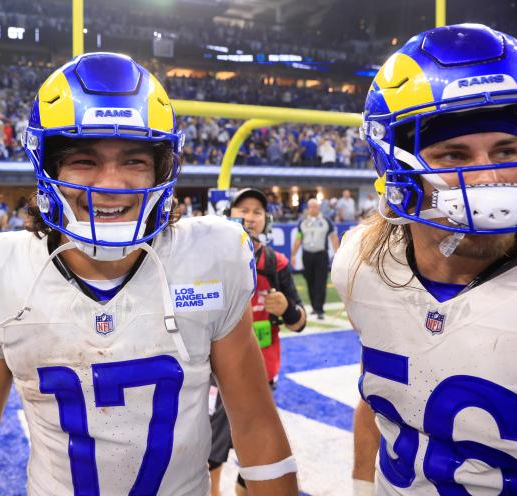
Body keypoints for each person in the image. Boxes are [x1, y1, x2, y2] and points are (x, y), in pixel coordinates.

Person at [0, 52, 298, 496]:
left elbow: (255, 425)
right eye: (84, 160)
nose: (111, 183)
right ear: (48, 169)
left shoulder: (209, 258)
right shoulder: (0, 275)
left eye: (134, 161)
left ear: (162, 167)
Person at [332, 23, 517, 496]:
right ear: (394, 167)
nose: (487, 178)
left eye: (508, 150)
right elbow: (381, 394)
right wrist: (360, 484)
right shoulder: (361, 265)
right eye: (454, 153)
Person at [210, 188, 306, 496]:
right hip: (218, 372)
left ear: (266, 220)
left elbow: (299, 321)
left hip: (264, 370)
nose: (250, 218)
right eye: (243, 210)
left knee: (257, 447)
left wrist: (286, 308)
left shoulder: (274, 262)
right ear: (229, 214)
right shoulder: (212, 258)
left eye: (257, 212)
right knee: (213, 445)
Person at [292, 198, 339, 319]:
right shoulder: (302, 222)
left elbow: (333, 237)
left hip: (321, 255)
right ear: (308, 208)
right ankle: (314, 307)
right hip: (307, 255)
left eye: (315, 206)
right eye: (311, 207)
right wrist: (293, 255)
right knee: (309, 281)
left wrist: (338, 253)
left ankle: (320, 309)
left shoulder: (326, 221)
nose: (313, 209)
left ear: (319, 208)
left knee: (321, 282)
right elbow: (298, 239)